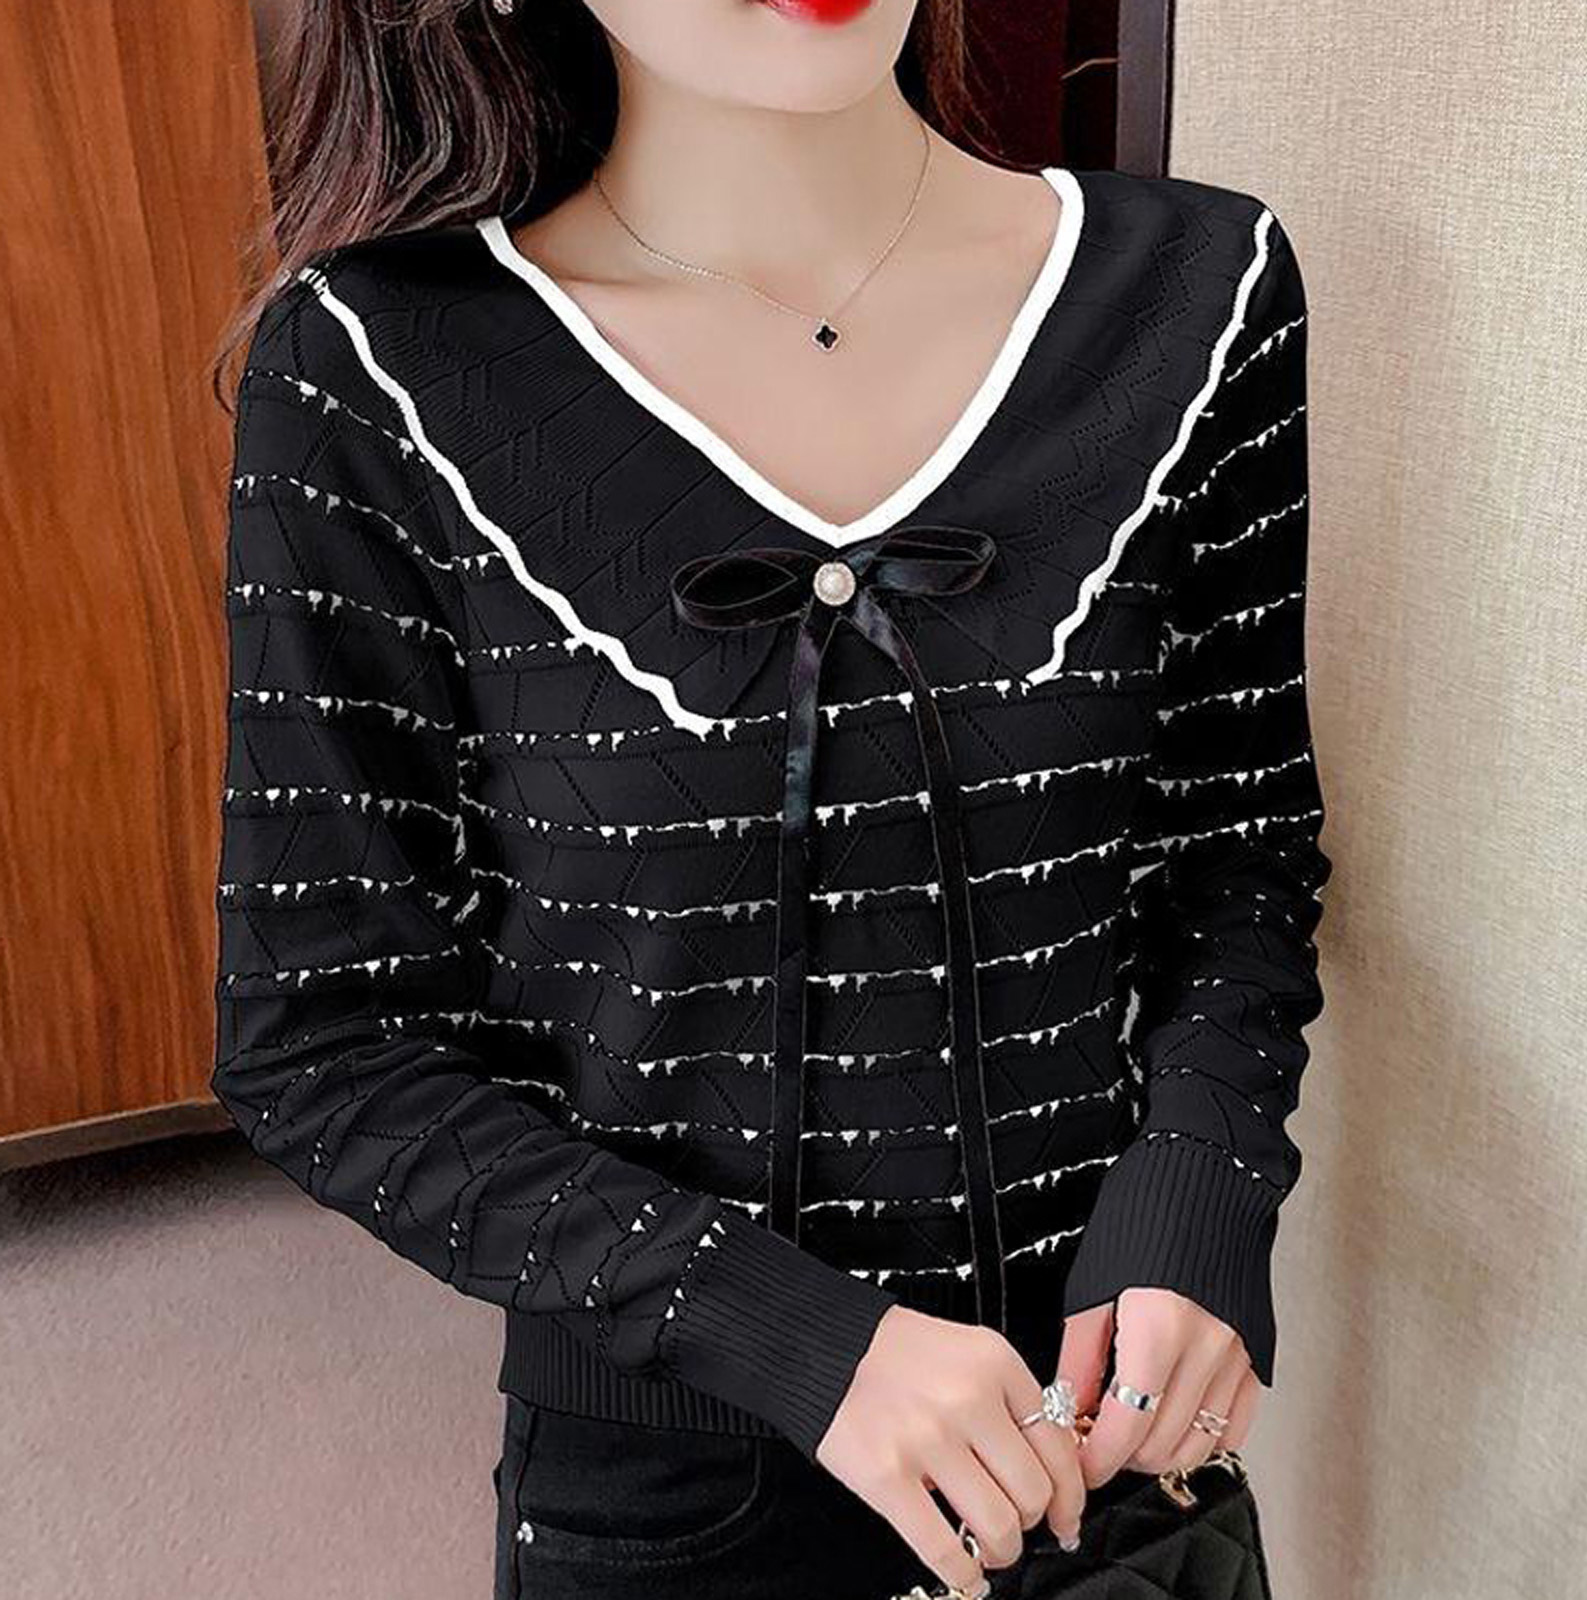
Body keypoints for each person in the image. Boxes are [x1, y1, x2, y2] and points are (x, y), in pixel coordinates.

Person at [211, 2, 1333, 1596]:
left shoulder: (1201, 293)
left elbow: (1236, 847)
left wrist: (1200, 1189)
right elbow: (321, 1042)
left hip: (1101, 1446)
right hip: (670, 1489)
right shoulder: (377, 364)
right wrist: (800, 1341)